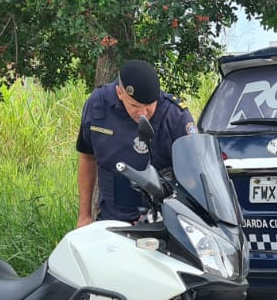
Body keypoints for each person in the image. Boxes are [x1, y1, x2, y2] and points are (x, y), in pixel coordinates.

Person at [76, 59, 197, 226]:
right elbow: (87, 157)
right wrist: (84, 215)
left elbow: (193, 173)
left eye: (149, 106)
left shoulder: (174, 115)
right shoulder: (98, 104)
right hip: (112, 219)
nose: (142, 113)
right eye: (134, 106)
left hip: (163, 221)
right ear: (119, 93)